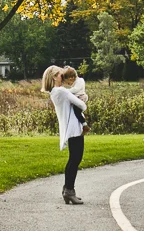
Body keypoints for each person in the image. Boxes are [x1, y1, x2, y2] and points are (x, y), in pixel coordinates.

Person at [41, 65, 87, 205]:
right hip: (74, 129)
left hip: (71, 128)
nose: (64, 77)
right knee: (75, 159)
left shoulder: (56, 92)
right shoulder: (61, 91)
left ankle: (68, 190)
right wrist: (84, 98)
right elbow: (82, 105)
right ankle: (69, 190)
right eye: (61, 75)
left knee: (73, 159)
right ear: (55, 77)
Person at [61, 66, 90, 134]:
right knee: (75, 112)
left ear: (71, 78)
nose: (69, 84)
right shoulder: (76, 82)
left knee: (77, 111)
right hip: (78, 97)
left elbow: (75, 90)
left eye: (68, 82)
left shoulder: (80, 81)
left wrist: (66, 91)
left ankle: (84, 125)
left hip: (81, 97)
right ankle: (82, 125)